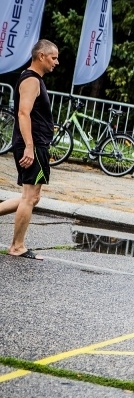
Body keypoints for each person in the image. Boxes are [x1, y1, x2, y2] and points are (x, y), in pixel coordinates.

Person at [0, 40, 59, 260]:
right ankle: (17, 246)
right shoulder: (32, 80)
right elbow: (23, 114)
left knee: (32, 197)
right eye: (53, 57)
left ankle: (17, 244)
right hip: (32, 145)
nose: (56, 62)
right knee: (29, 197)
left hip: (36, 144)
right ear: (41, 56)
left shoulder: (33, 79)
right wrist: (30, 147)